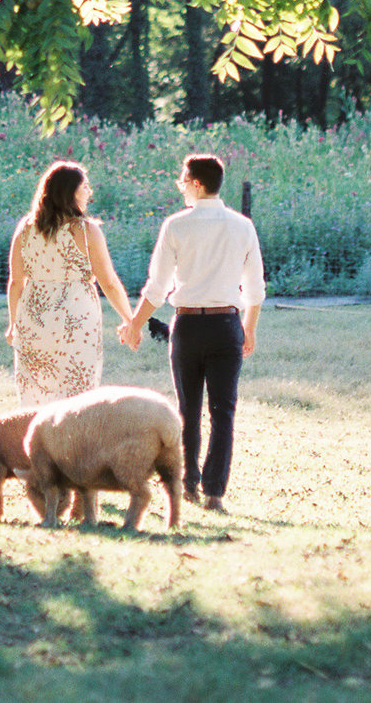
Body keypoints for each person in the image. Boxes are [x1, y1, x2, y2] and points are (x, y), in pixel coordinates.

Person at [118, 152, 263, 513]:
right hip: (227, 324)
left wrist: (135, 325)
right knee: (223, 411)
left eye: (183, 180)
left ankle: (188, 486)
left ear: (197, 184)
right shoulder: (243, 226)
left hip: (187, 326)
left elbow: (157, 288)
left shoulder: (176, 226)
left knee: (188, 410)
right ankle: (215, 492)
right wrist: (250, 328)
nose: (180, 185)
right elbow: (255, 288)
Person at [6, 160, 134, 408]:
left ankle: (37, 444)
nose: (90, 192)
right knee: (76, 396)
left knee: (35, 392)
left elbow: (15, 282)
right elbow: (108, 281)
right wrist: (129, 319)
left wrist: (13, 324)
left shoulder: (25, 228)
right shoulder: (86, 231)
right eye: (85, 187)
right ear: (70, 192)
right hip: (76, 321)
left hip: (34, 320)